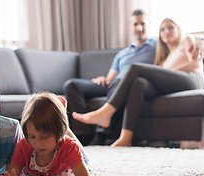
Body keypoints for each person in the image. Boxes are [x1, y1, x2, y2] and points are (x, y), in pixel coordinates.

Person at [72, 18, 204, 147]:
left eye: (170, 27)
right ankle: (126, 137)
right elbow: (165, 77)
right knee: (139, 83)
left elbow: (196, 64)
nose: (166, 31)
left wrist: (201, 41)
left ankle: (106, 112)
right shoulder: (163, 60)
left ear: (179, 29)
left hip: (192, 79)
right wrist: (165, 71)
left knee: (135, 68)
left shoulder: (187, 40)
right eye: (162, 29)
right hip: (174, 84)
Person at [63, 9, 156, 145]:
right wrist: (103, 79)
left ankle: (102, 133)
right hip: (114, 84)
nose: (139, 28)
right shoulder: (122, 53)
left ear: (149, 25)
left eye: (143, 23)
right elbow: (110, 78)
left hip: (129, 83)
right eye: (135, 24)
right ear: (130, 26)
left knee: (119, 81)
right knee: (71, 85)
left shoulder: (156, 47)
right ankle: (83, 135)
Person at [0, 92, 93, 176]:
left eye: (45, 137)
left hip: (71, 155)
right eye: (32, 136)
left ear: (59, 132)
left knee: (86, 159)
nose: (38, 144)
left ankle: (66, 128)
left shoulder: (69, 147)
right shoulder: (24, 145)